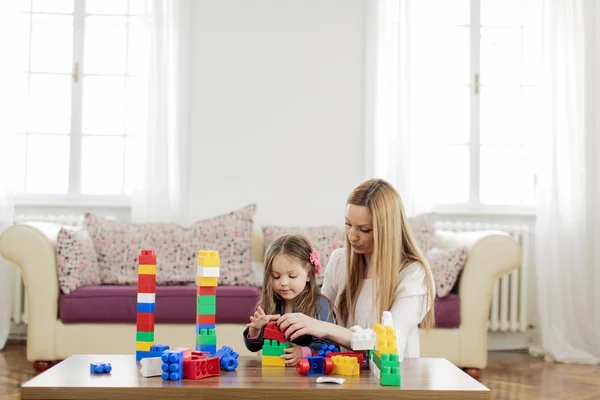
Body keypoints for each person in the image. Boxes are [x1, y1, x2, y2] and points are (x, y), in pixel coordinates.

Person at [276, 178, 436, 358]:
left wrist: (325, 328)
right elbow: (318, 318)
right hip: (344, 374)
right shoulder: (339, 261)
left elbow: (390, 346)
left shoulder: (414, 274)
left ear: (387, 230)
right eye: (348, 224)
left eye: (364, 229)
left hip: (389, 379)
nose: (352, 235)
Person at [242, 234, 338, 366]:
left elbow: (329, 344)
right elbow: (253, 347)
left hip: (308, 375)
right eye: (275, 276)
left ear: (309, 275)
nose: (283, 282)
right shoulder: (270, 304)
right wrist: (255, 330)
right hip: (275, 372)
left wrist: (303, 352)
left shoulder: (319, 304)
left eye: (292, 276)